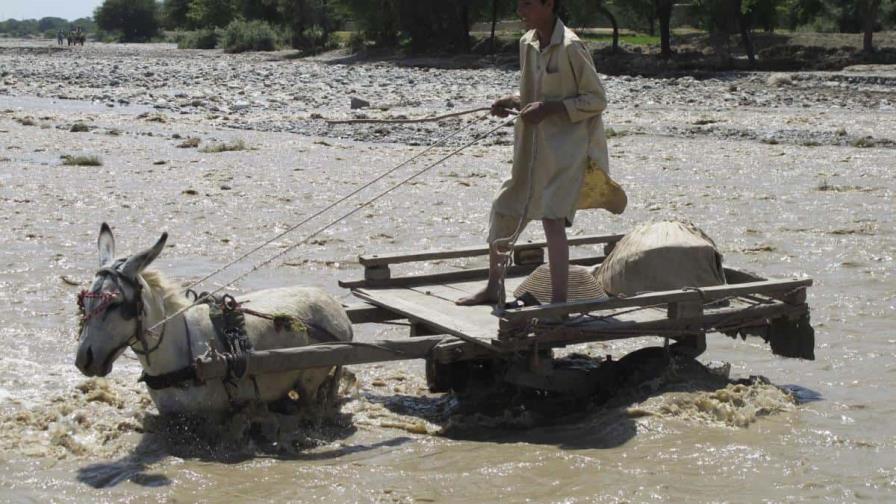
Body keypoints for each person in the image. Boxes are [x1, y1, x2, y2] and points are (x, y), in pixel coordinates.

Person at [456, 0, 625, 307]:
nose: (521, 11)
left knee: (552, 218)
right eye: (519, 4)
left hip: (565, 151)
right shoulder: (528, 43)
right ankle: (494, 286)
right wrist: (511, 100)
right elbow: (532, 95)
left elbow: (596, 99)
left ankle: (559, 304)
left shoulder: (572, 47)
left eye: (528, 4)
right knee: (504, 207)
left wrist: (550, 109)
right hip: (531, 146)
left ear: (549, 4)